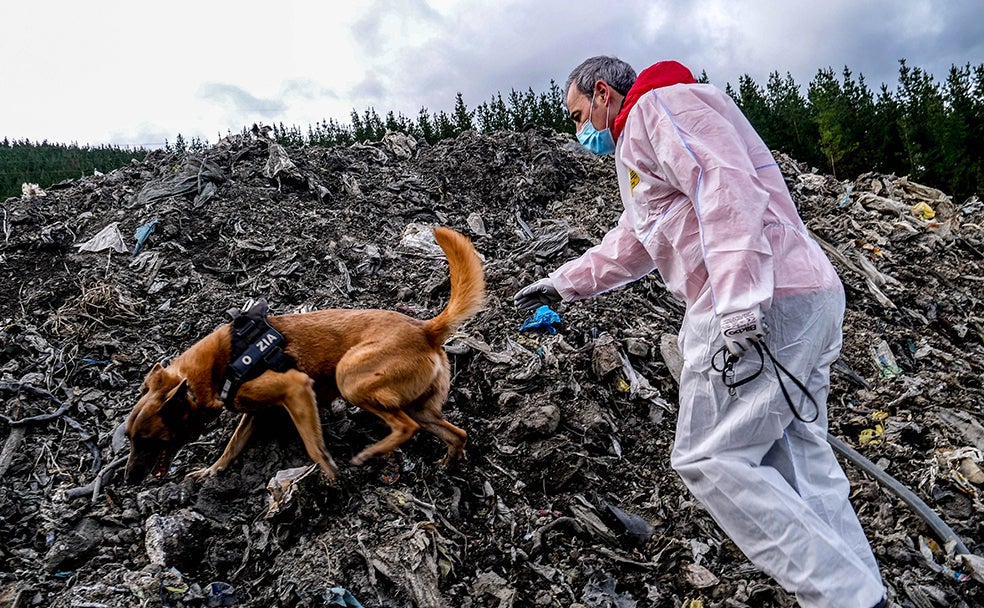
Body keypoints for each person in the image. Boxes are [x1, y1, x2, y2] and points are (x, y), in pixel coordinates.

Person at [514, 56, 887, 608]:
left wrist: (738, 302)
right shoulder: (643, 146)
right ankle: (860, 591)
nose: (578, 132)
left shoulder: (657, 108)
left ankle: (847, 598)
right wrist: (562, 284)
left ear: (602, 93)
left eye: (576, 115)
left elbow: (723, 186)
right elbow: (636, 240)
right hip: (801, 296)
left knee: (710, 457)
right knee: (799, 461)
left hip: (757, 299)